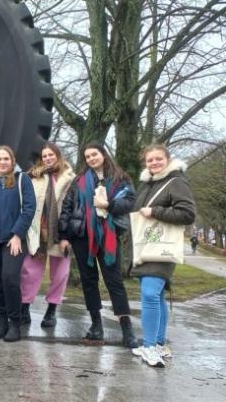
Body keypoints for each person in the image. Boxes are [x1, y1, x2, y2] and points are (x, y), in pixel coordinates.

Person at [58, 142, 139, 348]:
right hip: (82, 235)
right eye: (87, 156)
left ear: (103, 154)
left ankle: (126, 328)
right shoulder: (79, 181)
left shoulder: (120, 178)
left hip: (109, 234)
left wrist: (109, 205)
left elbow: (130, 202)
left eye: (94, 154)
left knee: (114, 281)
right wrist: (64, 236)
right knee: (88, 279)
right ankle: (96, 325)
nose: (91, 159)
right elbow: (67, 207)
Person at [130, 144, 195, 367]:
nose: (154, 163)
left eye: (158, 159)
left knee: (149, 294)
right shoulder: (147, 184)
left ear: (167, 159)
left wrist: (155, 211)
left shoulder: (176, 181)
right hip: (146, 247)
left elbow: (188, 213)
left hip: (161, 247)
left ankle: (150, 347)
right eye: (150, 160)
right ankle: (158, 343)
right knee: (156, 297)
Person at [0, 145, 36, 342]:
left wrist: (18, 234)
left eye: (6, 159)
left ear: (12, 160)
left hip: (13, 240)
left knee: (10, 279)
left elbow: (29, 208)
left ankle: (14, 322)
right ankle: (2, 321)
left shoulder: (22, 179)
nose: (2, 162)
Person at [19, 143, 75, 328]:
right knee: (30, 271)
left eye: (51, 154)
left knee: (60, 274)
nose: (48, 158)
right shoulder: (35, 177)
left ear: (58, 155)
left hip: (62, 231)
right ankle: (24, 307)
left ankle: (51, 311)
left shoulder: (70, 178)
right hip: (38, 232)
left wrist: (69, 234)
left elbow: (75, 206)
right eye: (44, 156)